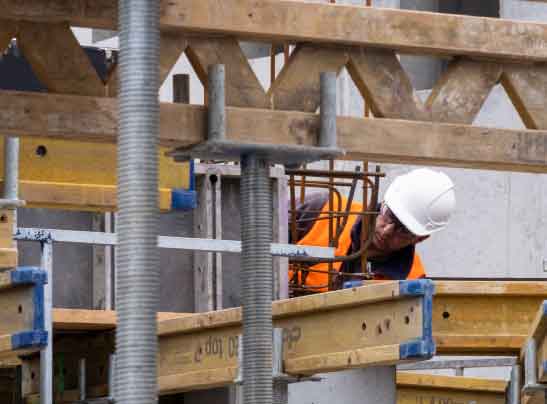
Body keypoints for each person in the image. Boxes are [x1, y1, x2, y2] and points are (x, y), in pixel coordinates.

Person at [289, 168, 456, 292]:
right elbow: (263, 229)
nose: (387, 231)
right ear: (384, 202)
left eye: (403, 230)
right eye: (390, 215)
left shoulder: (413, 279)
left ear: (420, 238)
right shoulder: (323, 209)